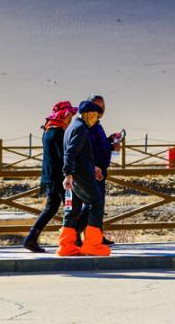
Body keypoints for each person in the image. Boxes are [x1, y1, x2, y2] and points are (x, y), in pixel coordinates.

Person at [57, 101, 110, 257]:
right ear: (87, 114)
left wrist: (93, 167)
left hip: (76, 175)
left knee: (72, 210)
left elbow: (79, 153)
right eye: (94, 115)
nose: (95, 119)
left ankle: (66, 246)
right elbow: (70, 153)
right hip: (80, 175)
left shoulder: (72, 127)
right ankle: (92, 245)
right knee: (96, 202)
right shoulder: (81, 129)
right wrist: (68, 173)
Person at [23, 101, 77, 253]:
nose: (69, 119)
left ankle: (31, 238)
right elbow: (63, 155)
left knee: (52, 208)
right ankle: (72, 239)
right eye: (68, 116)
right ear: (62, 115)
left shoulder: (47, 130)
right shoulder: (58, 132)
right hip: (60, 176)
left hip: (51, 174)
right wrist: (70, 172)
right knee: (72, 206)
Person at [75, 94, 118, 246]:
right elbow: (90, 148)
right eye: (97, 106)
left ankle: (96, 234)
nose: (100, 109)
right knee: (93, 203)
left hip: (99, 168)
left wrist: (109, 141)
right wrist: (111, 147)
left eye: (102, 106)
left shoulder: (96, 124)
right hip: (93, 169)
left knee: (97, 204)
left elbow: (99, 146)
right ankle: (74, 232)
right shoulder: (88, 126)